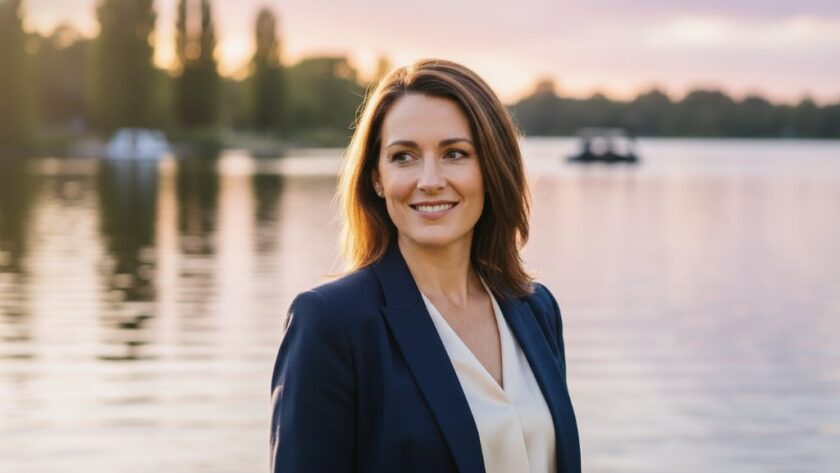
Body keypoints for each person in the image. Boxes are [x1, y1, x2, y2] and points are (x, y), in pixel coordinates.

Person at [270, 58, 581, 473]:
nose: (430, 180)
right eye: (404, 157)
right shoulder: (332, 323)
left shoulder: (536, 309)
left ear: (491, 167)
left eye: (455, 153)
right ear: (377, 178)